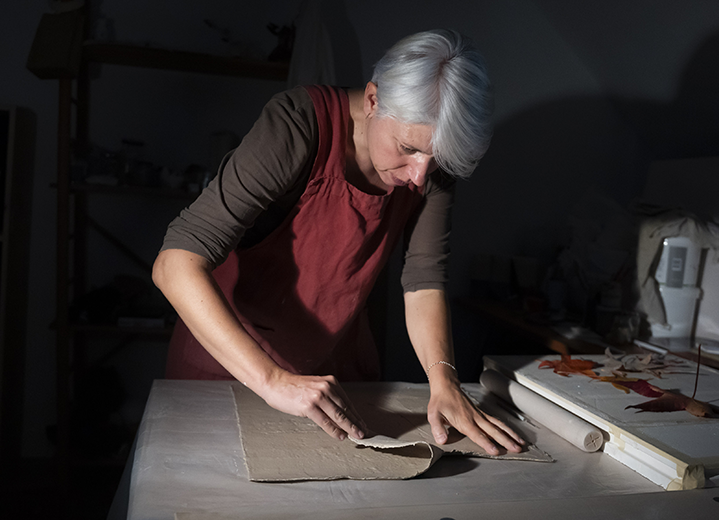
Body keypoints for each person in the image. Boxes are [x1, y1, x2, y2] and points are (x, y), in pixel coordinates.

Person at [152, 29, 523, 455]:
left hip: (333, 368)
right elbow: (175, 264)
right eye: (407, 148)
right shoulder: (297, 124)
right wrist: (272, 380)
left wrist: (444, 382)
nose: (420, 176)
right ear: (373, 100)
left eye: (436, 159)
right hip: (233, 363)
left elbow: (423, 279)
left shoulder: (429, 164)